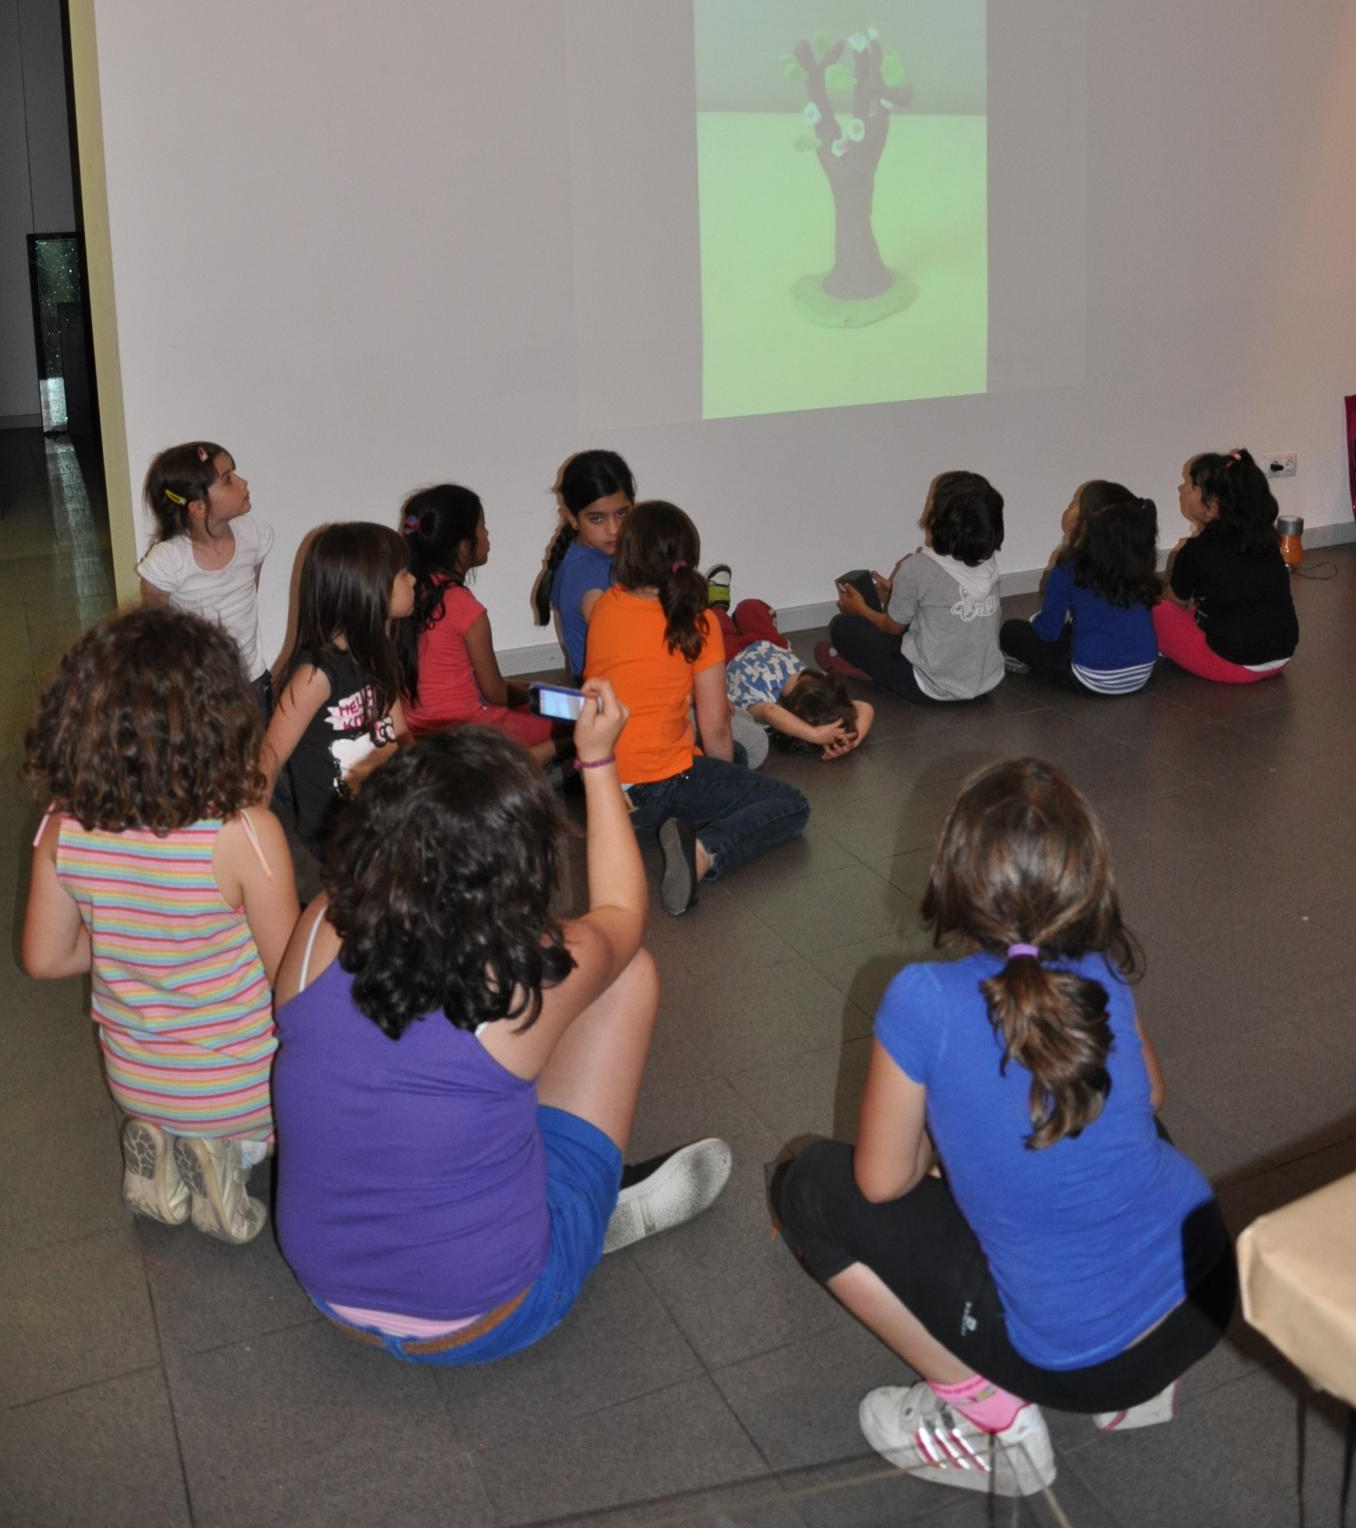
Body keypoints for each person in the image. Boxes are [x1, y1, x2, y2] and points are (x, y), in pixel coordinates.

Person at [775, 758, 1235, 1498]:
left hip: (1078, 1364)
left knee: (810, 1187)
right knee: (1105, 1114)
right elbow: (1148, 1095)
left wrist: (944, 1139)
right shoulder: (1101, 970)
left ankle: (992, 1422)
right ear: (1087, 875)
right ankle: (1142, 1395)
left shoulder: (922, 998)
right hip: (1205, 1293)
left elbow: (881, 1182)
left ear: (955, 875)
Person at [271, 690, 732, 1362]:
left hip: (327, 1292)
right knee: (628, 973)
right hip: (486, 1316)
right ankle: (583, 1219)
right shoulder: (522, 973)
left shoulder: (320, 920)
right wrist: (597, 760)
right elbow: (623, 917)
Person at [21, 609, 299, 1243]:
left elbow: (45, 958)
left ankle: (166, 1149)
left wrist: (127, 933)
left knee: (166, 1102)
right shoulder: (244, 834)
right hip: (242, 1089)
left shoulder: (64, 828)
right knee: (312, 1092)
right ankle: (229, 1156)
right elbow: (291, 981)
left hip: (136, 1081)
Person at [584, 501, 812, 916]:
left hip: (603, 785)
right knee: (792, 804)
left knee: (736, 758)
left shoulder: (605, 604)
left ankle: (685, 816)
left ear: (628, 553)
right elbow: (716, 726)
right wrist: (725, 782)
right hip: (658, 785)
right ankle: (703, 851)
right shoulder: (698, 624)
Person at [259, 522, 414, 852]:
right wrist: (251, 840)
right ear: (369, 588)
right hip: (339, 836)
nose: (413, 580)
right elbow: (269, 758)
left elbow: (400, 733)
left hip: (385, 815)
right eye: (403, 574)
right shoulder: (315, 676)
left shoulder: (379, 651)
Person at [400, 484, 555, 767]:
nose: (488, 534)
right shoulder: (463, 607)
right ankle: (526, 773)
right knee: (579, 723)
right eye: (482, 527)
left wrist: (532, 688)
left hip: (417, 730)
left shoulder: (405, 596)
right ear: (464, 546)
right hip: (470, 733)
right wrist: (542, 696)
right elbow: (497, 694)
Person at [820, 471, 1005, 704]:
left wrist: (859, 609)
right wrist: (897, 593)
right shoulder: (988, 564)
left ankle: (859, 667)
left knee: (844, 627)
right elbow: (942, 602)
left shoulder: (918, 567)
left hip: (930, 688)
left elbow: (891, 628)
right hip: (985, 680)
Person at [137, 441, 276, 711]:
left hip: (252, 681)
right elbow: (156, 622)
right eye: (228, 479)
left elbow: (250, 591)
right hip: (201, 688)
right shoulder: (169, 561)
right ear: (198, 508)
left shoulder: (255, 535)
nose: (243, 483)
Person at [1154, 448, 1298, 683]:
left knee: (1154, 610)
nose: (1182, 489)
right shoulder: (1267, 541)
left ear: (1212, 507)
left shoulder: (1194, 552)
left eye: (1191, 485)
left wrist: (1174, 571)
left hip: (1234, 664)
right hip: (1281, 656)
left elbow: (1176, 603)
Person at [1000, 482, 1159, 694]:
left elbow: (1048, 632)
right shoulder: (1138, 561)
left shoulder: (1069, 567)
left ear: (1085, 522)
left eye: (1075, 504)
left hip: (1092, 677)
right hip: (1142, 672)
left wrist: (1036, 622)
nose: (1069, 507)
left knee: (1011, 631)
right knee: (1079, 629)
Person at [533, 450, 637, 681]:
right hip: (614, 694)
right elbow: (623, 651)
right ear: (571, 518)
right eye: (596, 518)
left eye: (622, 513)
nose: (614, 529)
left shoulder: (598, 556)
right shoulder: (586, 575)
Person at [725, 637, 874, 761]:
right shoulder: (819, 697)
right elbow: (865, 707)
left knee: (726, 625)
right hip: (769, 643)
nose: (821, 672)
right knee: (754, 614)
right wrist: (851, 741)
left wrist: (816, 735)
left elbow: (768, 711)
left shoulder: (766, 702)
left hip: (731, 655)